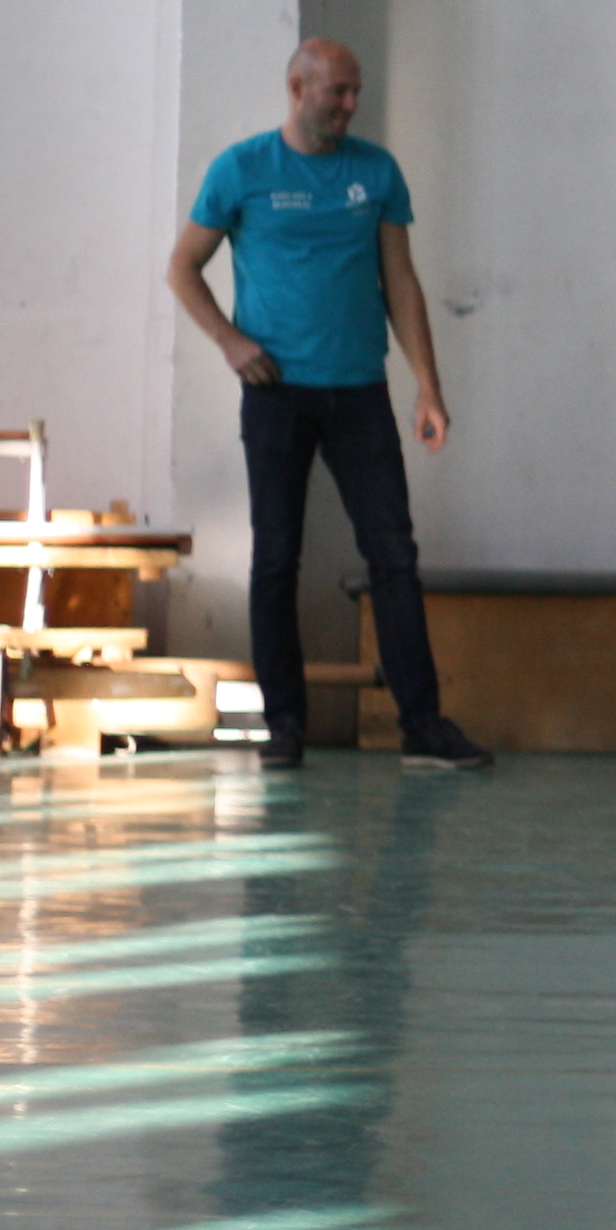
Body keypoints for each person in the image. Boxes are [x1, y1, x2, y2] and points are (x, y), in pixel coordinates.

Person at [166, 39, 491, 774]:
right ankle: (284, 727)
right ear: (296, 88)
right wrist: (229, 341)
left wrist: (428, 386)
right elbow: (182, 268)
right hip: (275, 394)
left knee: (394, 556)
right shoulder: (241, 169)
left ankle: (422, 727)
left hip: (359, 393)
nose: (350, 105)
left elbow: (399, 280)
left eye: (356, 92)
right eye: (337, 92)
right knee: (277, 557)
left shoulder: (376, 172)